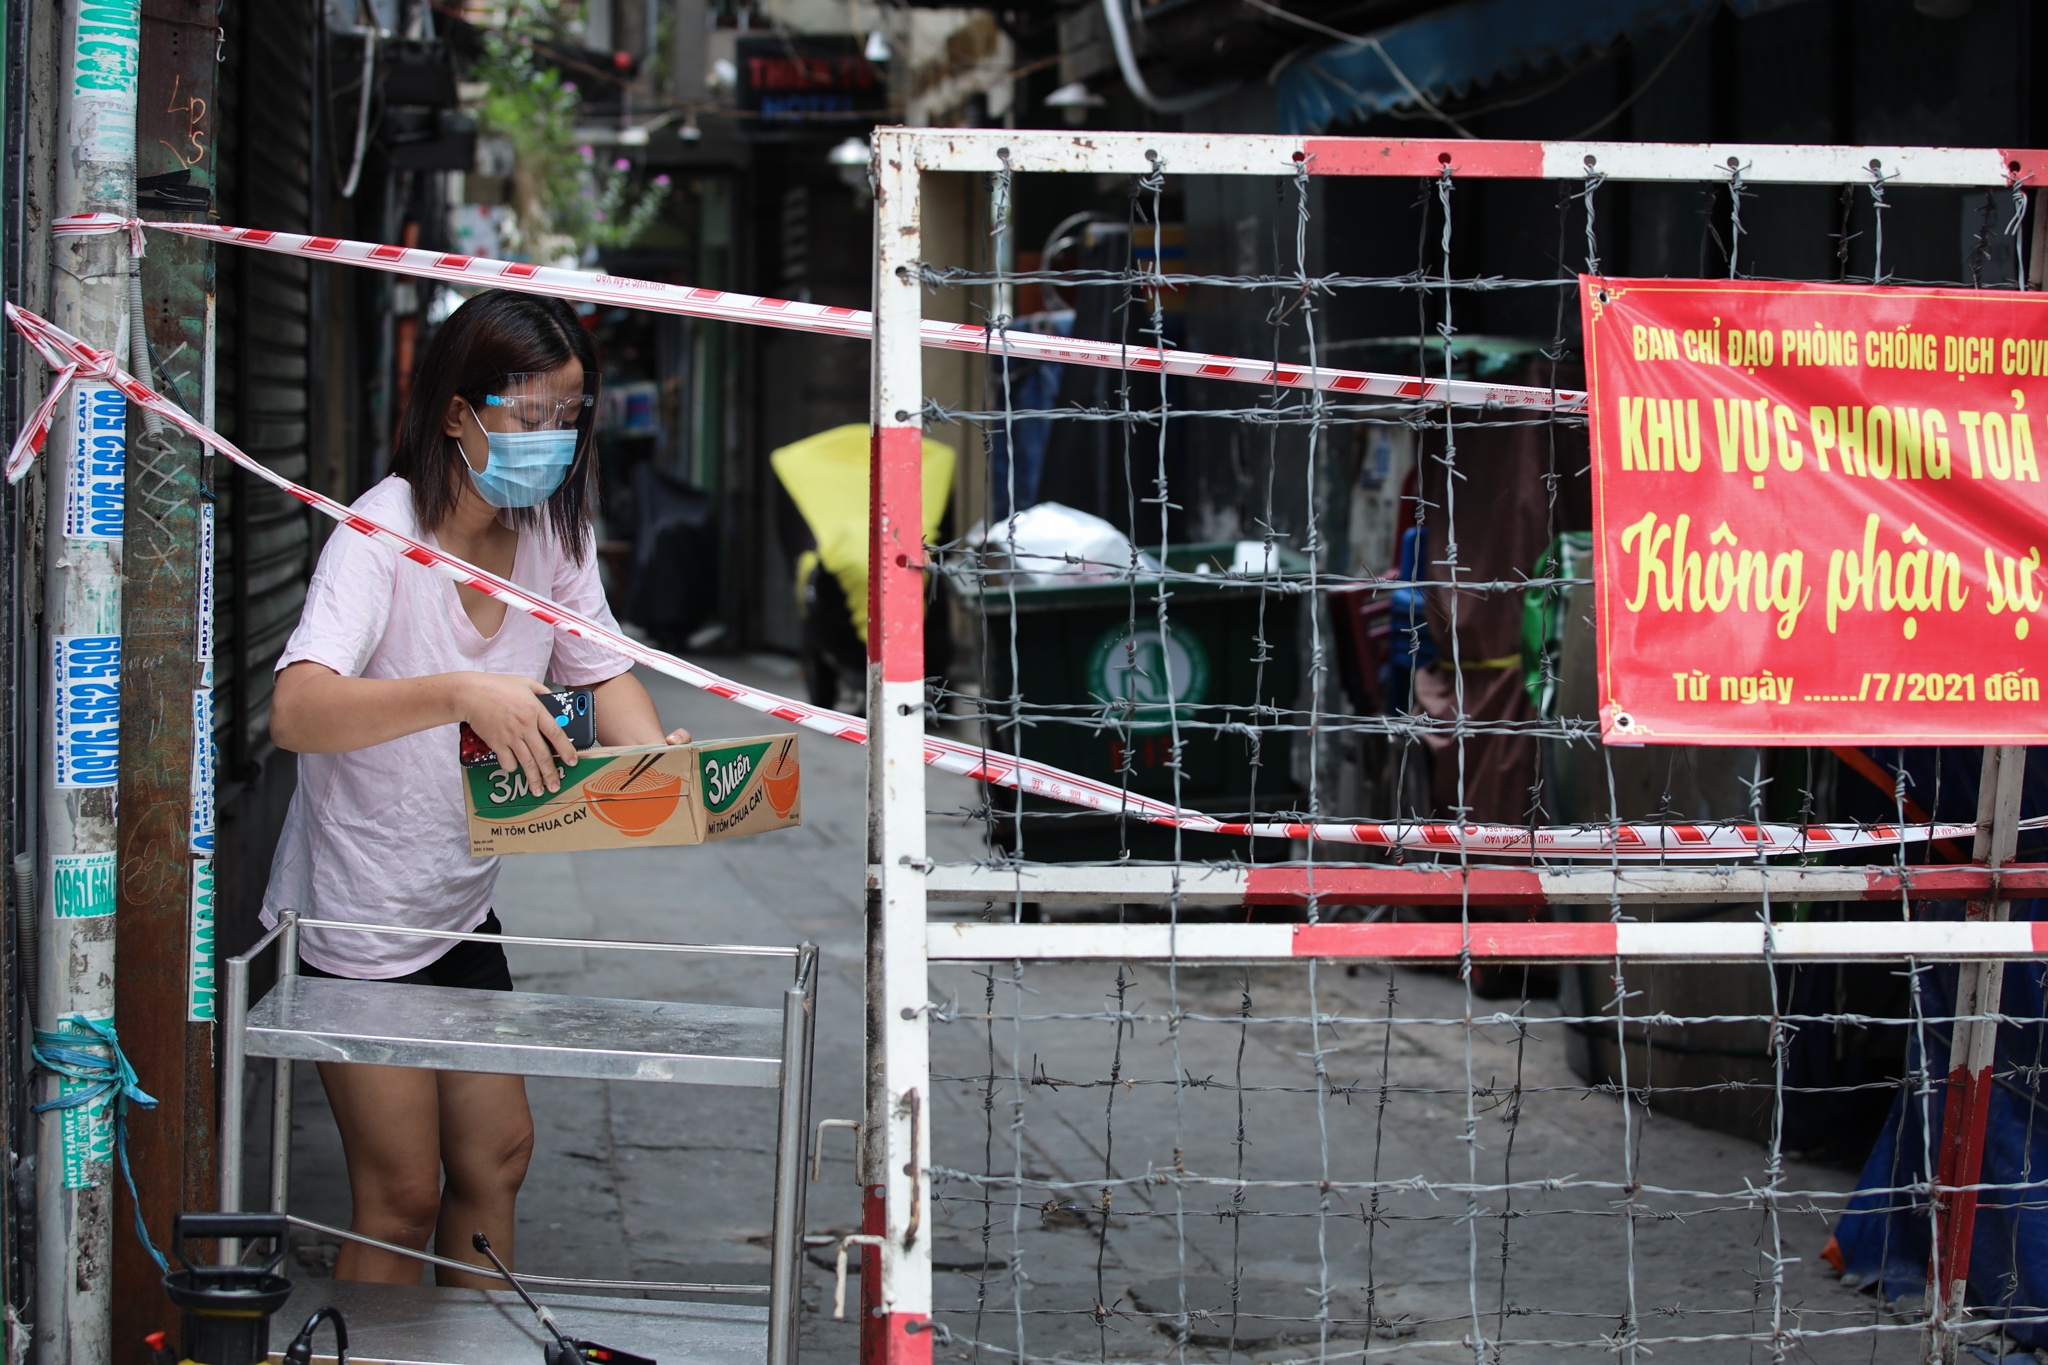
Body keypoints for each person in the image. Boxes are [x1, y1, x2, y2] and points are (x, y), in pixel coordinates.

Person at [264, 290, 688, 1287]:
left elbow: (601, 669)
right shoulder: (380, 532)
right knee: (402, 1191)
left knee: (495, 1160)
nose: (552, 438)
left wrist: (656, 770)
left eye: (568, 414)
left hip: (460, 910)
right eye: (527, 413)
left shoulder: (552, 536)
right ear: (457, 413)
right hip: (357, 927)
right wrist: (462, 692)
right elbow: (296, 710)